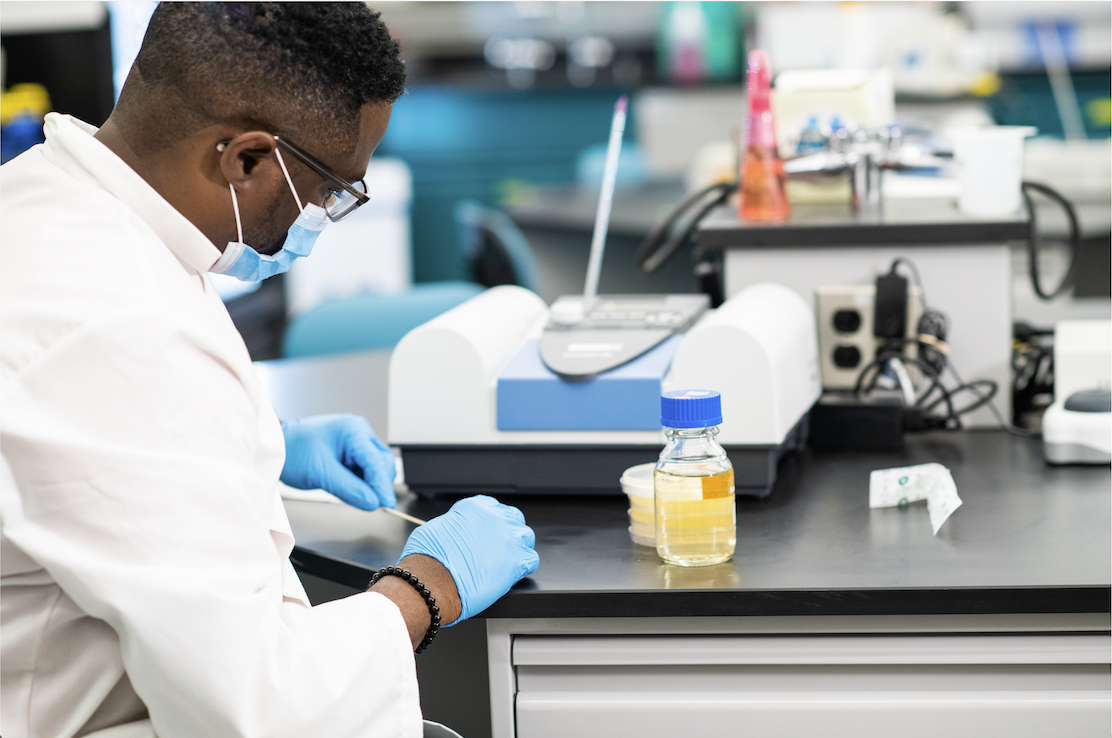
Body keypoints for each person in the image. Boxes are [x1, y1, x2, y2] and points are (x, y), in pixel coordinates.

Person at [0, 4, 539, 737]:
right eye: (330, 188)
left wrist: (271, 445)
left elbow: (76, 438)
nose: (322, 212)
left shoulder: (43, 197)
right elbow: (263, 707)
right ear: (246, 160)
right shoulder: (127, 325)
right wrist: (429, 585)